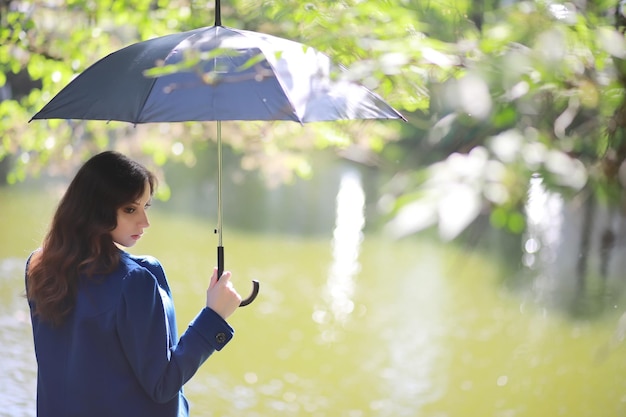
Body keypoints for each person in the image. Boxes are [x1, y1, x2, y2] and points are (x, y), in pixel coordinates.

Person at [25, 150, 242, 417]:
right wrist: (213, 317)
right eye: (130, 209)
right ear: (96, 208)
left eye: (146, 206)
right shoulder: (134, 282)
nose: (145, 221)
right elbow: (163, 385)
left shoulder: (39, 266)